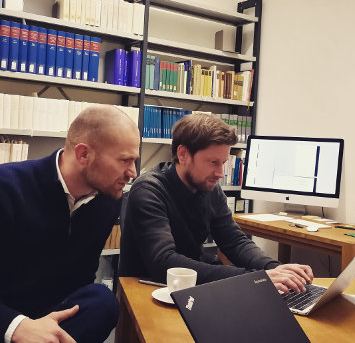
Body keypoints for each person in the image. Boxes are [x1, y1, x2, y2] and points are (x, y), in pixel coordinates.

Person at [0, 104, 140, 343]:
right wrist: (16, 327)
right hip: (0, 317)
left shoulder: (107, 202)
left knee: (103, 301)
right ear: (83, 154)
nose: (133, 173)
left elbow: (80, 280)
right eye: (125, 160)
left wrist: (46, 326)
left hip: (53, 316)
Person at [119, 113, 313, 294]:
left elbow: (234, 241)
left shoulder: (209, 188)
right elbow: (163, 262)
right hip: (147, 289)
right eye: (213, 162)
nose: (220, 173)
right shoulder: (148, 190)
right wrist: (253, 278)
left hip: (188, 288)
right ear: (183, 154)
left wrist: (274, 268)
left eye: (223, 163)